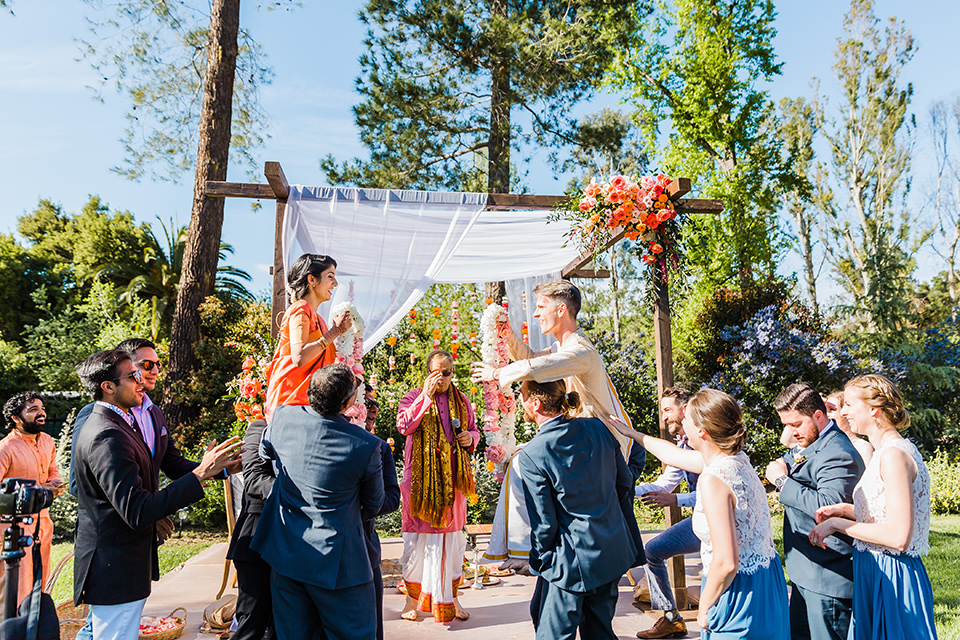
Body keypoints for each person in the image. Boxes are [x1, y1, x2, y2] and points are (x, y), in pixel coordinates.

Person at [73, 349, 239, 640]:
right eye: (133, 375)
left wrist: (213, 469)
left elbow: (162, 467)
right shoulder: (106, 434)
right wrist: (199, 474)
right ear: (108, 387)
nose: (141, 381)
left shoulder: (126, 421)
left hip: (125, 562)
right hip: (115, 565)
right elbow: (137, 510)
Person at [611, 390, 790, 639]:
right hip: (767, 579)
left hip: (736, 589)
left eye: (687, 417)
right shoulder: (736, 459)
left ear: (701, 431)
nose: (682, 421)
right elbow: (670, 454)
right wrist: (631, 433)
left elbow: (726, 561)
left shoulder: (713, 478)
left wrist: (705, 606)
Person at [251, 363, 385, 640]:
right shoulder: (365, 445)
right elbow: (373, 505)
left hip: (286, 554)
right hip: (339, 565)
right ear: (348, 403)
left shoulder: (284, 416)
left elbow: (266, 454)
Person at [810, 374, 937, 640]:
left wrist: (838, 524)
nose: (843, 412)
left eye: (849, 405)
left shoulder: (893, 455)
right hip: (873, 569)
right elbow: (885, 513)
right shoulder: (885, 451)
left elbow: (898, 536)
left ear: (873, 410)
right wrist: (844, 510)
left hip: (893, 576)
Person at [517, 379, 643, 640]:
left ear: (536, 404)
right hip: (611, 548)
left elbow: (544, 523)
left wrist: (540, 561)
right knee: (600, 632)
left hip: (570, 560)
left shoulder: (532, 454)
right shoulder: (598, 427)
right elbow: (624, 483)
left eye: (523, 395)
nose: (520, 401)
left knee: (552, 634)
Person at [470, 279, 640, 463]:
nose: (535, 314)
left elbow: (537, 368)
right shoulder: (562, 347)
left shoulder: (581, 351)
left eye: (541, 307)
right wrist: (508, 335)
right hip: (587, 443)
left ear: (561, 310)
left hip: (609, 450)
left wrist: (496, 374)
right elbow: (531, 359)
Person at [765, 382, 864, 640]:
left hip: (828, 576)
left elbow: (828, 506)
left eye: (795, 424)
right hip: (804, 570)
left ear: (818, 416)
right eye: (786, 424)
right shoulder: (811, 441)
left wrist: (781, 482)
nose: (790, 431)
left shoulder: (838, 452)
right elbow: (790, 463)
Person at [397, 349, 479, 623]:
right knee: (417, 543)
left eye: (447, 373)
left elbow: (473, 429)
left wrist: (471, 438)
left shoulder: (461, 400)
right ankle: (411, 600)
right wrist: (426, 398)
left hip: (453, 484)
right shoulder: (413, 397)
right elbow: (404, 426)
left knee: (453, 544)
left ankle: (451, 599)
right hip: (421, 487)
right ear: (428, 373)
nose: (442, 378)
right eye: (436, 372)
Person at [634, 386, 699, 640]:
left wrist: (675, 499)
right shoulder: (681, 445)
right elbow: (664, 484)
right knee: (652, 551)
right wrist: (625, 490)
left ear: (685, 409)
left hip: (723, 521)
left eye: (667, 410)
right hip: (701, 519)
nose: (663, 417)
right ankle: (671, 618)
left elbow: (715, 491)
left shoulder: (706, 439)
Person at [263, 253, 353, 421]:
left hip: (309, 405)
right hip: (291, 404)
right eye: (330, 276)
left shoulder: (319, 319)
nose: (335, 283)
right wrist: (335, 332)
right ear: (312, 280)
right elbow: (300, 357)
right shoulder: (300, 309)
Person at [0, 393, 64, 605]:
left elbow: (52, 470)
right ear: (16, 419)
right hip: (14, 528)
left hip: (43, 522)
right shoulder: (5, 448)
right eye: (33, 409)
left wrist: (54, 483)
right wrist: (39, 488)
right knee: (17, 586)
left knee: (40, 581)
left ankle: (33, 626)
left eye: (42, 408)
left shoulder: (47, 441)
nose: (41, 412)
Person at [225, 419, 276, 640]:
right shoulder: (260, 427)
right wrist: (302, 490)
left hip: (295, 542)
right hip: (257, 538)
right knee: (251, 624)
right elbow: (254, 481)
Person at [360, 390, 400, 640]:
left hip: (365, 544)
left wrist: (366, 507)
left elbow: (392, 498)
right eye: (366, 408)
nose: (371, 416)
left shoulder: (380, 448)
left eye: (373, 413)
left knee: (371, 624)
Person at [825, 390, 874, 465]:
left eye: (832, 409)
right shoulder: (822, 445)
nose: (826, 414)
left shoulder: (863, 448)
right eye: (824, 410)